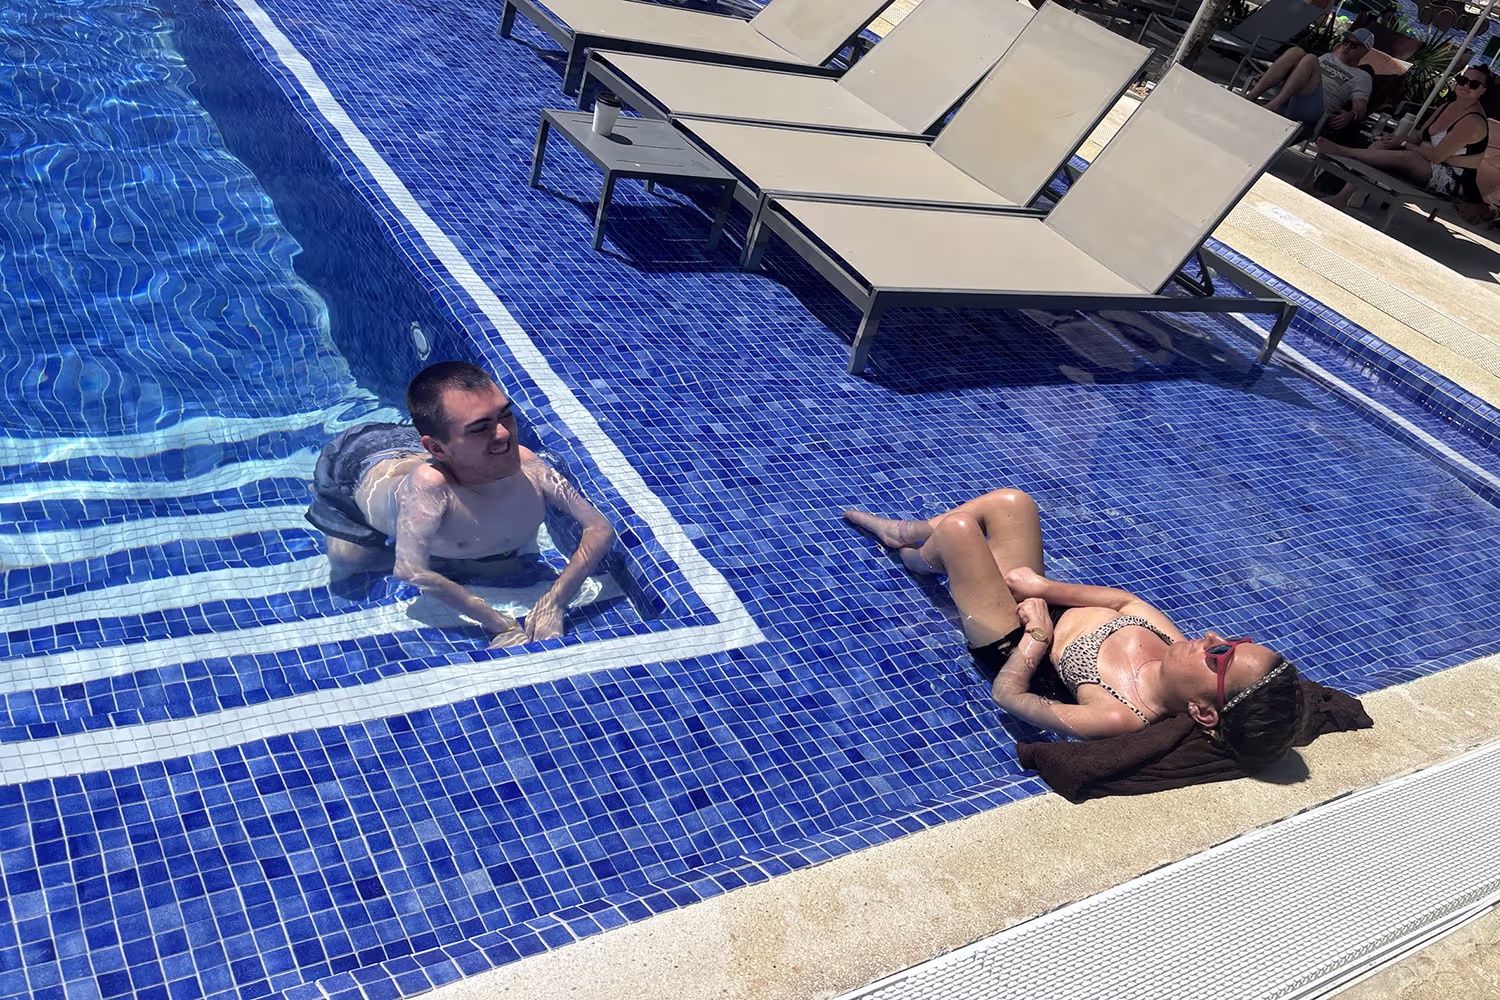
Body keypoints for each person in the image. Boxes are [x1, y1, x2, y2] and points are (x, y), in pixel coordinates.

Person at [844, 490, 1304, 769]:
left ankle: (913, 551)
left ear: (1203, 710)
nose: (1212, 639)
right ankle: (918, 534)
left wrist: (1036, 636)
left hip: (1013, 639)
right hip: (1041, 604)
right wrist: (1043, 587)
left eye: (1220, 657)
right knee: (1012, 503)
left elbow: (1009, 698)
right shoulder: (1173, 646)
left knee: (962, 531)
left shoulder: (1120, 715)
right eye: (1233, 641)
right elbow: (1123, 601)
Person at [306, 361, 616, 647]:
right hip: (357, 464)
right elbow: (409, 569)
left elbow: (599, 528)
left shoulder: (529, 464)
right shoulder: (430, 487)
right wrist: (501, 625)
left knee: (495, 562)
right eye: (481, 428)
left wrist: (554, 603)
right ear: (437, 448)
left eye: (505, 414)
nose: (505, 435)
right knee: (349, 561)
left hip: (419, 446)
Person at [1317, 66, 1493, 207]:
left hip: (1453, 180)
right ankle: (1342, 197)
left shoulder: (1472, 122)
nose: (1466, 86)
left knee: (1405, 156)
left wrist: (1407, 145)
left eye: (1474, 84)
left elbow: (1436, 156)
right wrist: (1398, 141)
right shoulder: (1447, 106)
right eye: (1463, 80)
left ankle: (1345, 152)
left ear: (1483, 91)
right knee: (1381, 147)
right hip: (1429, 162)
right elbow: (1419, 137)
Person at [1243, 29, 1375, 143]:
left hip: (1315, 109)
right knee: (1296, 51)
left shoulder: (1362, 77)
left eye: (1353, 45)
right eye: (1346, 41)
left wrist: (1353, 115)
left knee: (1310, 59)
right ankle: (1251, 96)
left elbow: (1361, 107)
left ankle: (1273, 105)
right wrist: (1273, 75)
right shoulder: (1328, 57)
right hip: (1292, 96)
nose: (1346, 47)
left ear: (1365, 51)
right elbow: (1301, 73)